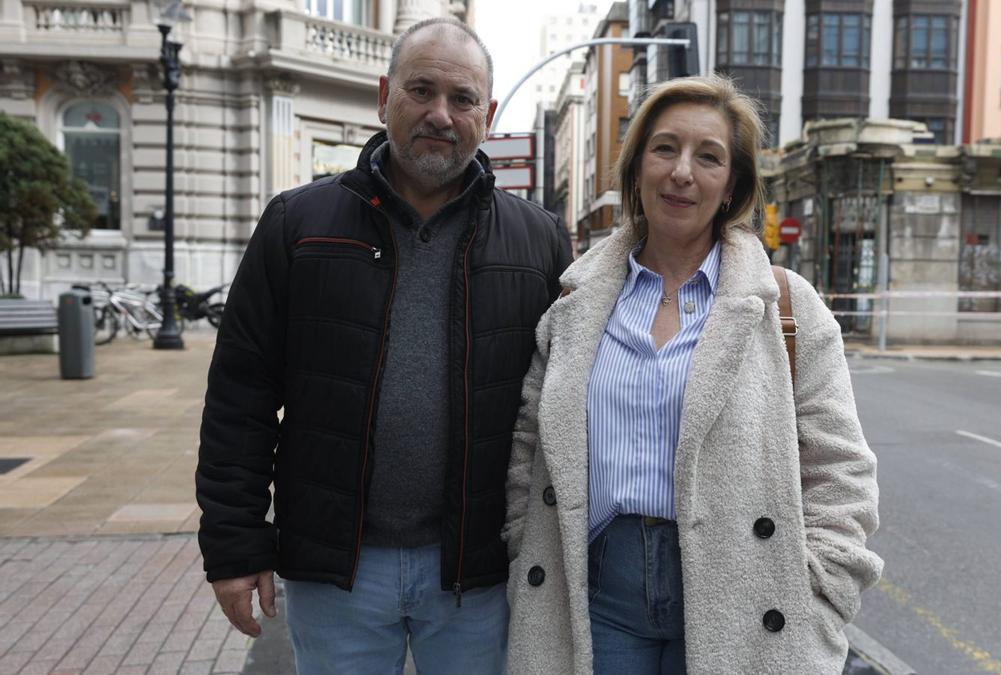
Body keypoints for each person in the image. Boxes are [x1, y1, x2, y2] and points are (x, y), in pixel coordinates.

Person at [195, 17, 572, 674]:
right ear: (384, 95)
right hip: (338, 571)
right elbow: (241, 395)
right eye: (420, 90)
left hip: (479, 573)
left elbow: (564, 404)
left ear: (485, 113)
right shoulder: (298, 224)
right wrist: (234, 546)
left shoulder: (537, 241)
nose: (440, 114)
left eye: (462, 99)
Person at [502, 75, 883, 674]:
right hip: (596, 588)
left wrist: (819, 593)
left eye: (708, 157)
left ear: (731, 185)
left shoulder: (787, 306)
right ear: (637, 167)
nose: (683, 171)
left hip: (745, 593)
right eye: (665, 148)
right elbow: (530, 448)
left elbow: (841, 468)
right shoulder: (573, 306)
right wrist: (524, 548)